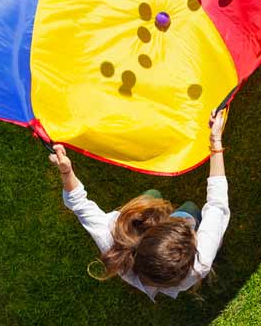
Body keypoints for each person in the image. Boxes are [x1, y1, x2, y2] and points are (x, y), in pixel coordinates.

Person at [51, 109, 228, 299]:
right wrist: (215, 141)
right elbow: (216, 205)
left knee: (152, 196)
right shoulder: (200, 262)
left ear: (155, 229)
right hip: (152, 227)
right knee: (191, 209)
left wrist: (67, 172)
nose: (196, 235)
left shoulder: (112, 239)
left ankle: (157, 204)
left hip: (137, 224)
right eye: (194, 235)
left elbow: (79, 203)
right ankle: (191, 219)